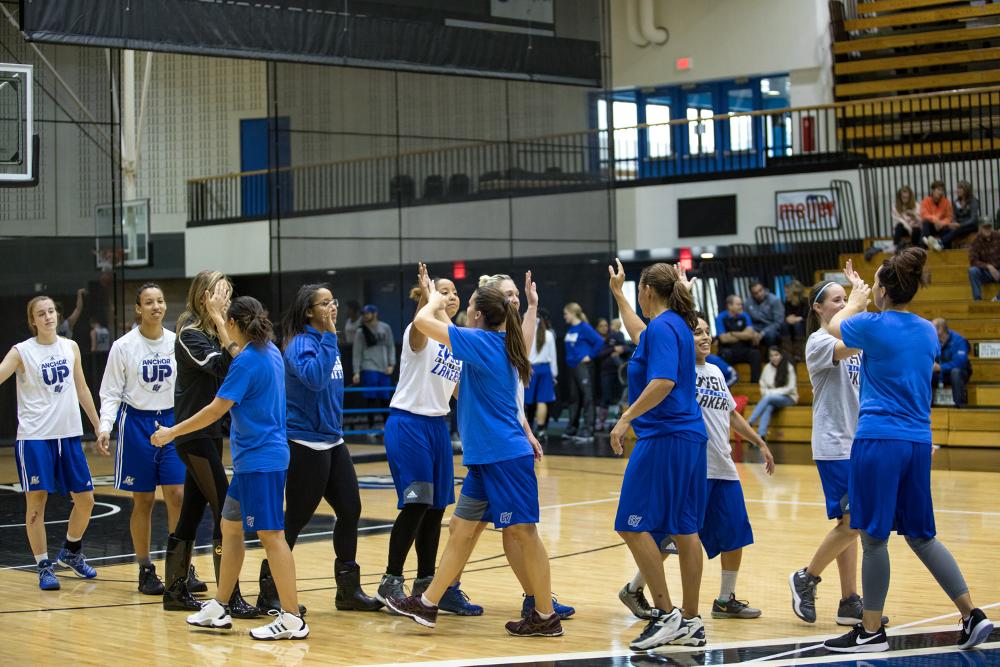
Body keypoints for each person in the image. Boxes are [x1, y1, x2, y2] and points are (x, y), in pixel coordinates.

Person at [822, 251, 993, 652]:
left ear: (882, 290)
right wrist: (868, 299)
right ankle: (972, 614)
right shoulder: (928, 330)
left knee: (874, 538)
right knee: (922, 536)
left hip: (879, 440)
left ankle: (870, 631)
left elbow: (833, 326)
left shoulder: (872, 324)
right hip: (917, 442)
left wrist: (856, 299)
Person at [385, 280, 564, 638]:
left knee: (525, 532)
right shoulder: (496, 341)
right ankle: (428, 603)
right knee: (460, 529)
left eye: (467, 303)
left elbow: (422, 322)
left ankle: (545, 614)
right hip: (484, 460)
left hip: (504, 456)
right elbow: (443, 329)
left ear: (478, 314)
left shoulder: (482, 342)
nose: (463, 307)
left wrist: (432, 299)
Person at [153, 296, 309, 641]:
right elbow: (236, 352)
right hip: (255, 460)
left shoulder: (247, 363)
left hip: (260, 461)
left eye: (227, 322)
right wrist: (217, 317)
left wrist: (172, 432)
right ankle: (220, 606)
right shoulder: (268, 351)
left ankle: (292, 618)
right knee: (231, 526)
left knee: (271, 536)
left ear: (236, 323)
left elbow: (215, 410)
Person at [619, 314, 774, 623]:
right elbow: (642, 332)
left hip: (723, 466)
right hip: (691, 465)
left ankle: (725, 599)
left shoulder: (715, 371)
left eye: (707, 332)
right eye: (697, 332)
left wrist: (759, 442)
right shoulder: (678, 370)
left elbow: (731, 414)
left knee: (735, 533)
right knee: (671, 537)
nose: (705, 337)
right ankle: (635, 588)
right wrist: (621, 297)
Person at [607, 259, 709, 650]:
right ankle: (691, 622)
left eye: (636, 290)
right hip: (688, 436)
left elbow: (663, 381)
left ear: (647, 290)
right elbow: (639, 332)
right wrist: (619, 295)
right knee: (684, 529)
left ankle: (667, 616)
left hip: (664, 437)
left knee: (631, 524)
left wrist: (626, 418)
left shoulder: (665, 327)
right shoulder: (674, 325)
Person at [260, 283, 381, 613]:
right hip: (305, 442)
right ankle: (270, 591)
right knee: (296, 519)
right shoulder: (300, 344)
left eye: (333, 301)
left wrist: (328, 338)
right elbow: (314, 379)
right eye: (324, 303)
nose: (332, 307)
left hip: (333, 440)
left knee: (350, 509)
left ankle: (348, 592)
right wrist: (329, 337)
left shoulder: (326, 341)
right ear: (308, 311)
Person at [377, 265, 483, 615]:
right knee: (417, 503)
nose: (452, 296)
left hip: (438, 426)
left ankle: (425, 584)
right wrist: (428, 298)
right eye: (444, 291)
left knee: (436, 508)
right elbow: (422, 326)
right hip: (409, 423)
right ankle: (391, 579)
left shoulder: (456, 340)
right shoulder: (418, 329)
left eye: (455, 292)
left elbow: (459, 392)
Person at [165, 271, 258, 617]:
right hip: (193, 436)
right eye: (221, 293)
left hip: (210, 433)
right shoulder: (190, 334)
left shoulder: (212, 332)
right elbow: (225, 366)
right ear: (204, 296)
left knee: (191, 512)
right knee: (225, 512)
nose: (226, 299)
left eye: (229, 293)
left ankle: (174, 592)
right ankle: (228, 597)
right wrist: (221, 322)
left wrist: (221, 325)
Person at [790, 279, 881, 627]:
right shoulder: (819, 341)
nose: (843, 304)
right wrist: (858, 304)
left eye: (846, 299)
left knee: (849, 524)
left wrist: (862, 305)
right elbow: (848, 343)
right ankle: (806, 577)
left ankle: (849, 601)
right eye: (837, 300)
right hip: (834, 444)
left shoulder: (852, 343)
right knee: (853, 522)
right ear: (818, 307)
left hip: (858, 443)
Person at [1, 295, 107, 590]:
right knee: (36, 505)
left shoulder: (70, 347)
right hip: (35, 439)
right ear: (32, 320)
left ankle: (71, 552)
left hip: (69, 435)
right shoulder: (22, 351)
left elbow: (82, 388)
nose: (48, 316)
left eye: (51, 311)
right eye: (41, 313)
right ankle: (44, 566)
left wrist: (98, 425)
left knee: (86, 500)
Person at [96, 283, 186, 595]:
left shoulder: (176, 342)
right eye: (149, 302)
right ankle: (145, 567)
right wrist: (105, 426)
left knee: (177, 494)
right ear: (138, 308)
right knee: (144, 499)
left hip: (171, 422)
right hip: (136, 423)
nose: (156, 306)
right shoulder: (123, 346)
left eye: (160, 300)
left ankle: (179, 566)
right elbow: (110, 392)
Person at [352, 304, 395, 435]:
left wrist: (391, 364)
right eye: (364, 314)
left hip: (384, 368)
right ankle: (371, 428)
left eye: (368, 313)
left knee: (385, 398)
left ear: (375, 314)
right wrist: (356, 371)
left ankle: (387, 427)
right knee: (370, 398)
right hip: (369, 367)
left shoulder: (385, 327)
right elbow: (357, 352)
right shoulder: (361, 331)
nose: (365, 316)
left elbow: (391, 346)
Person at [562, 302, 603, 441]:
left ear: (573, 313)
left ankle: (588, 430)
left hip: (583, 366)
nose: (564, 316)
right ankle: (572, 429)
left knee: (587, 397)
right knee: (574, 398)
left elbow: (599, 341)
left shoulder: (584, 327)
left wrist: (590, 355)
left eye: (566, 314)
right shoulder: (571, 329)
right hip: (572, 367)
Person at [745, 347, 798, 441]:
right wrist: (768, 393)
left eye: (776, 355)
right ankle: (761, 436)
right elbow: (762, 384)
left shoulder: (788, 367)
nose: (774, 358)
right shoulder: (767, 367)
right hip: (770, 398)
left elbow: (790, 388)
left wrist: (772, 393)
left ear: (781, 355)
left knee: (768, 398)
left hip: (789, 398)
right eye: (771, 355)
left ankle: (749, 422)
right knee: (768, 406)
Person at [525, 307, 558, 443]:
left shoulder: (524, 332)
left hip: (529, 369)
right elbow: (553, 356)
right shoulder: (549, 334)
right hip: (545, 369)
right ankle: (541, 430)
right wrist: (554, 374)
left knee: (525, 401)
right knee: (542, 400)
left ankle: (526, 429)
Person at [715, 295, 762, 383]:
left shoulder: (745, 316)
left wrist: (732, 333)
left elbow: (750, 335)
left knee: (755, 353)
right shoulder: (721, 317)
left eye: (741, 304)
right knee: (725, 354)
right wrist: (743, 335)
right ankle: (728, 383)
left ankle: (755, 383)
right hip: (728, 349)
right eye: (738, 304)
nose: (741, 307)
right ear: (730, 306)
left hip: (744, 348)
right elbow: (724, 339)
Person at [596, 317, 628, 431]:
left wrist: (621, 349)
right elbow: (600, 353)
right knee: (606, 397)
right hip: (606, 372)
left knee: (621, 398)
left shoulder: (619, 336)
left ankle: (618, 422)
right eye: (602, 326)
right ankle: (601, 423)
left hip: (619, 373)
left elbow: (627, 348)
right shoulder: (603, 340)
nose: (606, 328)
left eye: (607, 325)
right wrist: (613, 349)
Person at [932, 318, 972, 408]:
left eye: (932, 328)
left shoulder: (959, 340)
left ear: (940, 330)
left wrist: (941, 367)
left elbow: (960, 362)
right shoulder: (932, 340)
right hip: (940, 374)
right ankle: (926, 407)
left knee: (955, 372)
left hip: (959, 373)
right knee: (926, 373)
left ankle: (960, 406)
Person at [968, 221, 1000, 301]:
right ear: (980, 228)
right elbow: (973, 260)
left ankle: (998, 298)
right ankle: (978, 300)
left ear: (992, 228)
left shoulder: (998, 236)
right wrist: (988, 266)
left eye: (989, 227)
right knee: (972, 271)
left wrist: (996, 270)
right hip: (985, 273)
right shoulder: (975, 240)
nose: (987, 229)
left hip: (998, 271)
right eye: (985, 227)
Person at [746, 282, 784, 347]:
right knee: (746, 335)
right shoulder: (747, 303)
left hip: (771, 327)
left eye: (760, 290)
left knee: (770, 335)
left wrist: (763, 332)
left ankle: (771, 352)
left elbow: (778, 322)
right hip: (756, 328)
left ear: (764, 289)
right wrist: (752, 331)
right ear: (752, 294)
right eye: (755, 293)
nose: (759, 294)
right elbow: (747, 320)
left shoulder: (775, 300)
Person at [920, 180, 955, 251]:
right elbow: (924, 215)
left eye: (942, 190)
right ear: (933, 190)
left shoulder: (946, 202)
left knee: (948, 229)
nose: (940, 192)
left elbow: (949, 217)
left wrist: (941, 223)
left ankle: (943, 248)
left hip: (941, 226)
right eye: (938, 190)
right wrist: (936, 220)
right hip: (931, 226)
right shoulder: (925, 201)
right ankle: (927, 243)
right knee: (926, 223)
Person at [892, 185, 922, 252]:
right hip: (904, 229)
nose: (905, 199)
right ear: (900, 197)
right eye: (903, 197)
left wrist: (914, 216)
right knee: (899, 226)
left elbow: (921, 222)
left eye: (907, 197)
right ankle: (895, 246)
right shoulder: (895, 207)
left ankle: (915, 248)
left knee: (916, 229)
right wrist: (909, 228)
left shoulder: (916, 205)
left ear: (910, 197)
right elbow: (900, 221)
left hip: (915, 229)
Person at [89, 317, 111, 387]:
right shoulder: (106, 330)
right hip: (106, 353)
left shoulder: (94, 331)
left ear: (92, 324)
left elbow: (94, 346)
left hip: (98, 355)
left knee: (98, 375)